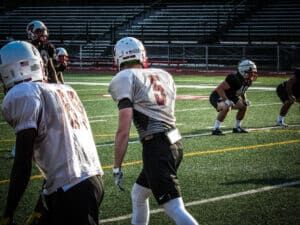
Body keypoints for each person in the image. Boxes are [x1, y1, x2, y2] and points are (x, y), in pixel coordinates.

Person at [0, 41, 104, 225]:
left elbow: (23, 162)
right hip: (89, 180)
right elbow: (62, 157)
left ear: (10, 71)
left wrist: (8, 212)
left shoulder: (22, 94)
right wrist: (43, 202)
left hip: (71, 191)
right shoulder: (66, 90)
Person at [108, 37, 198, 225]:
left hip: (157, 147)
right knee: (139, 194)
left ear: (118, 58)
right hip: (175, 142)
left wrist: (117, 166)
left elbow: (123, 130)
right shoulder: (164, 74)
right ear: (142, 55)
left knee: (174, 207)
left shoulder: (124, 77)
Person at [209, 59, 258, 135]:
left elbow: (242, 91)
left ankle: (237, 127)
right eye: (251, 71)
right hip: (217, 95)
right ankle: (216, 128)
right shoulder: (233, 77)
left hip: (231, 96)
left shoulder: (248, 80)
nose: (253, 74)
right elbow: (220, 89)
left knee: (244, 106)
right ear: (243, 70)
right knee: (226, 107)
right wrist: (226, 100)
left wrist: (245, 99)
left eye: (253, 71)